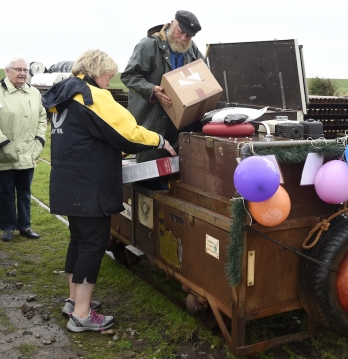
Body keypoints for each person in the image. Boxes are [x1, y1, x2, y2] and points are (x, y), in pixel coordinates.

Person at [41, 49, 177, 332]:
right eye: (109, 74)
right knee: (92, 246)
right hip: (90, 186)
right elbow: (127, 132)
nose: (111, 79)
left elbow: (98, 134)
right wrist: (159, 139)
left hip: (67, 182)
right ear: (96, 70)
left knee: (78, 241)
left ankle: (73, 300)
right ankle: (82, 314)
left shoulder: (64, 94)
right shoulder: (94, 96)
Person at [121, 10, 205, 166]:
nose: (183, 38)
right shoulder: (148, 45)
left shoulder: (192, 50)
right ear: (173, 23)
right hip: (152, 122)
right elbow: (129, 76)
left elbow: (204, 75)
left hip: (180, 122)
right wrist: (152, 90)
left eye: (189, 36)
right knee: (150, 172)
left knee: (177, 170)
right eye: (181, 32)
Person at [0, 56, 47, 242]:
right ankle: (8, 226)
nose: (22, 73)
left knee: (25, 191)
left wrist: (40, 140)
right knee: (5, 191)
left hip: (29, 151)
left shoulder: (34, 93)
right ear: (7, 71)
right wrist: (3, 144)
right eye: (18, 69)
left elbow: (42, 117)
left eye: (25, 70)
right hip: (5, 153)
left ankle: (25, 226)